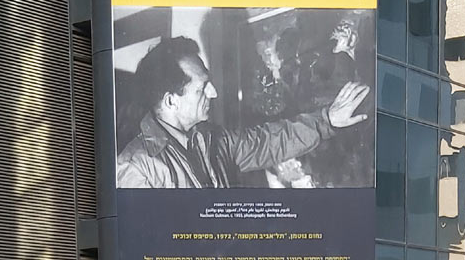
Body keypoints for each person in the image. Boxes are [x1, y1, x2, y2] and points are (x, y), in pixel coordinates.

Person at [116, 35, 369, 189]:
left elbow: (269, 141)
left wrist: (326, 120)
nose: (214, 93)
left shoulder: (210, 138)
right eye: (202, 88)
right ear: (171, 101)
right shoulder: (136, 168)